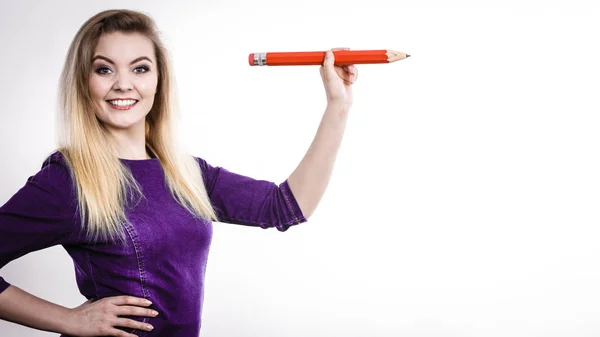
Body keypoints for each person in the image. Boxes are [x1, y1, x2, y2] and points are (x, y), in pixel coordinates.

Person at [0, 8, 357, 337]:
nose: (123, 84)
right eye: (104, 69)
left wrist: (338, 105)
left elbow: (286, 206)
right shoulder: (68, 180)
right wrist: (68, 320)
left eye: (139, 68)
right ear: (84, 82)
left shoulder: (186, 173)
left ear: (158, 80)